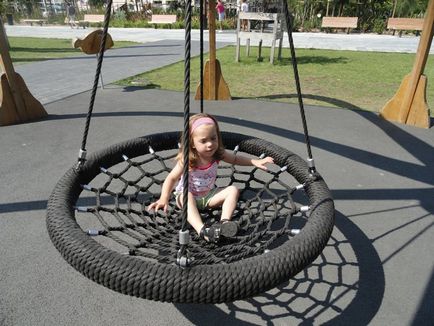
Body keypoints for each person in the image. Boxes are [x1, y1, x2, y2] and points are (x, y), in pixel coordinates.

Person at [148, 113, 274, 243]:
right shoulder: (188, 159)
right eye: (203, 141)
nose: (210, 144)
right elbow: (171, 178)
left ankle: (224, 223)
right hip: (186, 198)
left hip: (208, 196)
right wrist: (164, 198)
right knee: (186, 195)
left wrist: (254, 161)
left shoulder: (217, 153)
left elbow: (235, 159)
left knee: (233, 190)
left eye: (213, 139)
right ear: (192, 143)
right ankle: (202, 230)